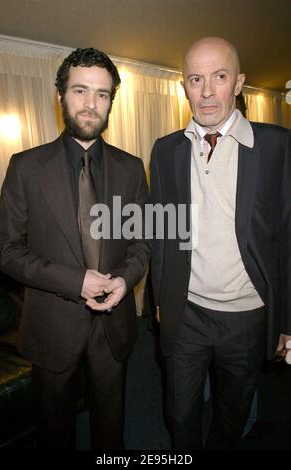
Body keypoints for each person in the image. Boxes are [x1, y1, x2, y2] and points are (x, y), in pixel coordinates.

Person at [0, 48, 150, 449]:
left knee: (110, 431)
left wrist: (125, 279)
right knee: (55, 433)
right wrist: (75, 281)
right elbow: (6, 250)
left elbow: (142, 242)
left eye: (102, 94)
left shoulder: (132, 168)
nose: (90, 104)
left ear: (111, 102)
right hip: (51, 327)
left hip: (114, 328)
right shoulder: (25, 167)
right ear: (61, 95)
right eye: (80, 90)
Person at [150, 36, 291, 450]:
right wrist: (159, 295)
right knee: (179, 413)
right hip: (186, 311)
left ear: (239, 82)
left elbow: (286, 234)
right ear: (184, 86)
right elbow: (163, 230)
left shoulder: (276, 146)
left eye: (220, 77)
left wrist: (287, 321)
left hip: (247, 315)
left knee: (232, 415)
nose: (207, 91)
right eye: (196, 79)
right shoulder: (165, 150)